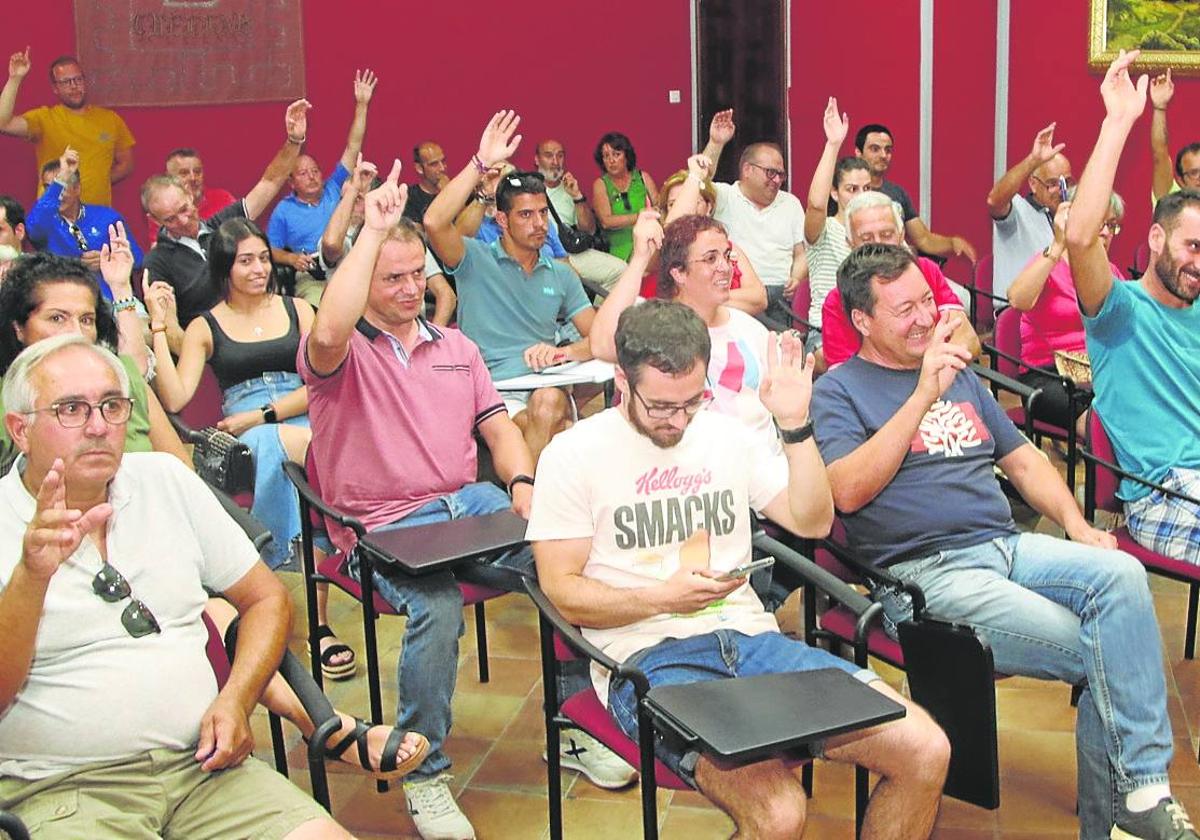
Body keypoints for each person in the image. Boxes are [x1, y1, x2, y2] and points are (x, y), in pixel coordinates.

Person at [812, 241, 1194, 840]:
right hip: (923, 577)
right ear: (861, 320)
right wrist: (920, 397)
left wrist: (1077, 525)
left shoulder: (958, 376)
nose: (924, 318)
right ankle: (1120, 822)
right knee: (1106, 650)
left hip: (1005, 547)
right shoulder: (839, 391)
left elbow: (1023, 462)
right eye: (903, 309)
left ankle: (1141, 792)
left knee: (1121, 576)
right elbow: (848, 492)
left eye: (926, 301)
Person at [530, 299, 950, 840]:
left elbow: (814, 519)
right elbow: (561, 593)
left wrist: (795, 427)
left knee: (926, 749)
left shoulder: (728, 435)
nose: (678, 421)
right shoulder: (573, 454)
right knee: (778, 814)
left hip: (755, 642)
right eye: (661, 407)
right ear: (620, 380)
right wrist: (662, 599)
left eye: (692, 401)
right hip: (649, 660)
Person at [300, 161, 633, 839]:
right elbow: (329, 332)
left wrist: (522, 486)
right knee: (439, 608)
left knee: (566, 569)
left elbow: (496, 428)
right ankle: (425, 774)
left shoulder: (455, 346)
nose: (410, 289)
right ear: (363, 281)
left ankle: (574, 724)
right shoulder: (341, 358)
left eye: (417, 275)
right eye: (390, 278)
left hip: (470, 505)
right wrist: (372, 232)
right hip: (382, 528)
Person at [0, 334, 357, 840]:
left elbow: (266, 599)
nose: (100, 427)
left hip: (203, 770)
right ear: (20, 429)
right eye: (72, 409)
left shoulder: (165, 479)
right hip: (67, 792)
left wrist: (237, 699)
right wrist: (31, 578)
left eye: (112, 406)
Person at [1066, 48, 1200, 572]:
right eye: (1191, 247)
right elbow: (1079, 236)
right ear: (1156, 237)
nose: (1198, 263)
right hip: (1161, 492)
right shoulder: (1120, 312)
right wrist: (1118, 123)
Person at [426, 112, 595, 465]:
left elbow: (599, 339)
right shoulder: (474, 260)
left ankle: (523, 500)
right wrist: (480, 163)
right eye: (525, 215)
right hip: (493, 392)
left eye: (542, 214)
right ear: (501, 220)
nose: (538, 224)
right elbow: (434, 221)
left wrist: (561, 353)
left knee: (549, 405)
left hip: (547, 382)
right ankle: (532, 497)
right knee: (561, 433)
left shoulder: (561, 275)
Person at [147, 218, 312, 572]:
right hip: (248, 428)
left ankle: (303, 547)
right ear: (225, 267)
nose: (259, 269)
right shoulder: (205, 325)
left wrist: (262, 415)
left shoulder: (297, 309)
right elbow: (175, 398)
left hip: (296, 407)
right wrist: (159, 326)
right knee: (272, 443)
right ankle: (285, 553)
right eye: (246, 261)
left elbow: (322, 386)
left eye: (264, 258)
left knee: (299, 435)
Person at [592, 207, 778, 454]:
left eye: (727, 255)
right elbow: (603, 345)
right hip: (691, 472)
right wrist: (640, 259)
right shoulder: (655, 326)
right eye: (711, 259)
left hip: (761, 466)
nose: (725, 267)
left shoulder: (751, 330)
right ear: (678, 273)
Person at [142, 97, 310, 345]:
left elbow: (270, 182)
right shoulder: (158, 261)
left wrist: (294, 141)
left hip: (261, 324)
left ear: (190, 195)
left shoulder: (223, 225)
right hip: (211, 344)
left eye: (185, 209)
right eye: (171, 219)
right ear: (154, 220)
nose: (184, 220)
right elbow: (169, 327)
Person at [0, 245, 178, 472]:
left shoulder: (124, 375)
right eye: (57, 318)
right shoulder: (6, 398)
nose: (76, 332)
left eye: (86, 320)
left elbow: (181, 470)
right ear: (19, 328)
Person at [1006, 188, 1124, 433]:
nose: (1105, 232)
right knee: (1104, 423)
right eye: (1099, 223)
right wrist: (1058, 245)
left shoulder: (1110, 273)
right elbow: (1017, 299)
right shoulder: (1049, 262)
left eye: (1111, 225)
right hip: (1047, 377)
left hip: (1098, 372)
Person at [820, 191, 979, 369]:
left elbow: (968, 340)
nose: (879, 244)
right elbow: (844, 376)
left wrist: (932, 374)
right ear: (850, 244)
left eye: (887, 234)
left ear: (902, 235)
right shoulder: (838, 300)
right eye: (867, 239)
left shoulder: (926, 271)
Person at [267, 70, 377, 306]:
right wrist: (292, 258)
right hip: (313, 273)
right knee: (320, 307)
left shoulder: (334, 188)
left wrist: (362, 104)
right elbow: (269, 249)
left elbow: (353, 146)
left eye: (315, 170)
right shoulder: (283, 210)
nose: (312, 177)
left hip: (350, 261)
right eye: (303, 174)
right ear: (291, 182)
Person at [319, 155, 455, 326]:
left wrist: (432, 339)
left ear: (375, 199)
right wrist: (353, 190)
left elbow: (446, 295)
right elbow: (331, 245)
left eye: (357, 199)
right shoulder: (340, 236)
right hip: (358, 336)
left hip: (412, 334)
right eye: (344, 199)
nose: (348, 205)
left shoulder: (403, 237)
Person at [701, 109, 807, 320]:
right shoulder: (725, 196)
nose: (777, 180)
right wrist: (716, 142)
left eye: (781, 174)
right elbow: (699, 181)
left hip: (781, 296)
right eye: (771, 173)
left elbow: (801, 253)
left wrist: (796, 278)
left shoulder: (791, 203)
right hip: (737, 293)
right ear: (747, 170)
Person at [0, 48, 134, 206]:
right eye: (66, 82)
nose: (74, 86)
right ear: (55, 88)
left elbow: (126, 164)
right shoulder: (44, 118)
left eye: (78, 79)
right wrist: (15, 78)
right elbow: (3, 123)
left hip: (96, 216)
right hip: (53, 216)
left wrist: (97, 182)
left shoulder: (110, 119)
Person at [648, 155, 768, 316]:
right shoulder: (657, 250)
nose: (686, 208)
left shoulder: (728, 248)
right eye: (673, 204)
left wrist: (706, 298)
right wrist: (694, 177)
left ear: (709, 207)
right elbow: (675, 231)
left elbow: (758, 299)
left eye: (694, 201)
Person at [803, 98, 871, 357]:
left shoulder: (880, 234)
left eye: (866, 189)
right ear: (834, 192)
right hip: (823, 334)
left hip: (870, 334)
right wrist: (833, 145)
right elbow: (815, 205)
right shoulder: (823, 231)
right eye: (851, 189)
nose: (860, 195)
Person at [853, 122, 976, 263]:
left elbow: (923, 239)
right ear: (858, 153)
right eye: (875, 149)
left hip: (892, 268)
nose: (883, 155)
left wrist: (952, 242)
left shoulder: (897, 193)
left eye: (888, 150)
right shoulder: (846, 192)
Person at [26, 148, 143, 289]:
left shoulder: (107, 218)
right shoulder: (45, 221)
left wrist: (107, 260)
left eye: (62, 187)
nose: (57, 194)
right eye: (49, 188)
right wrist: (61, 179)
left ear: (77, 188)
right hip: (62, 298)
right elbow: (33, 228)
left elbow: (137, 259)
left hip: (109, 300)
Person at [987, 122, 1072, 304]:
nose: (1061, 191)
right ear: (1033, 184)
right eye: (1052, 184)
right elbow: (994, 201)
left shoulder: (1066, 215)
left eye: (1066, 183)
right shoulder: (1016, 212)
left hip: (1057, 307)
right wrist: (1033, 160)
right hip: (1018, 312)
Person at [534, 137, 627, 290]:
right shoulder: (527, 187)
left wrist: (577, 196)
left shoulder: (569, 188)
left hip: (569, 252)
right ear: (537, 159)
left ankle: (600, 313)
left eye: (560, 155)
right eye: (549, 155)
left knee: (621, 271)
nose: (555, 161)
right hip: (536, 252)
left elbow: (589, 229)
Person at [144, 147, 238, 244]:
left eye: (197, 172)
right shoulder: (163, 211)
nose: (193, 178)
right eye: (184, 173)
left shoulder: (223, 198)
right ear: (169, 178)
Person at [590, 131, 659, 261]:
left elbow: (659, 208)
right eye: (606, 156)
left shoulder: (643, 177)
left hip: (648, 248)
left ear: (627, 156)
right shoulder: (601, 184)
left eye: (616, 154)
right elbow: (606, 221)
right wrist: (641, 216)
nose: (611, 160)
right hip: (616, 254)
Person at [1148, 69, 1200, 206]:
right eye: (1194, 173)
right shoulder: (1170, 202)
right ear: (1181, 181)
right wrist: (1159, 107)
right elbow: (1160, 153)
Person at [404, 140, 447, 224]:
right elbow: (419, 234)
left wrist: (451, 192)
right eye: (434, 164)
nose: (442, 168)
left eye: (443, 161)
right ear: (419, 168)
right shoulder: (410, 197)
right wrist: (446, 195)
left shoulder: (456, 189)